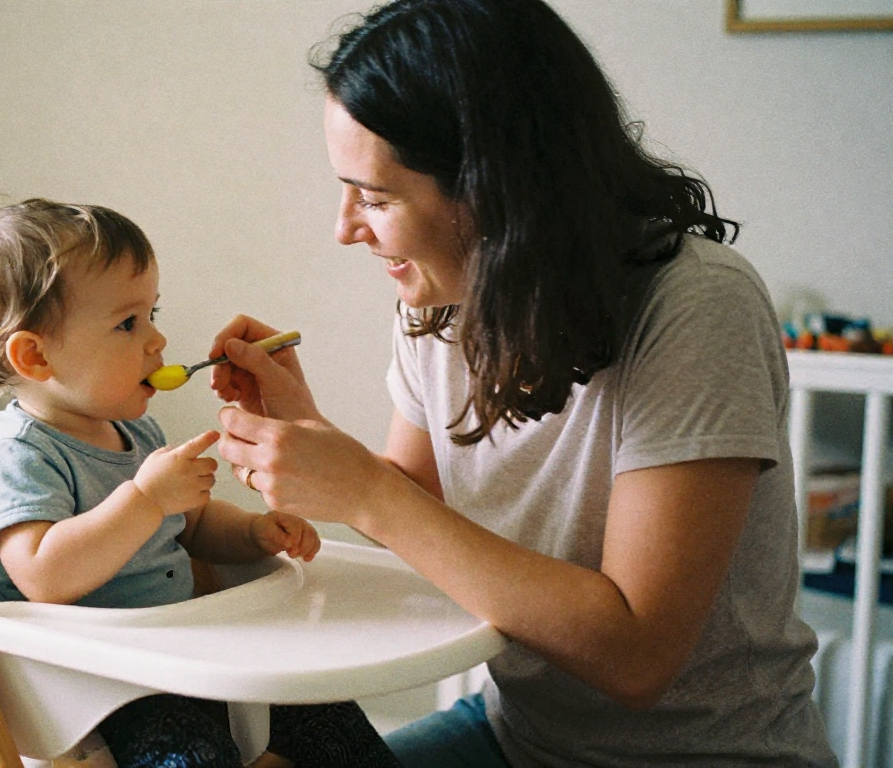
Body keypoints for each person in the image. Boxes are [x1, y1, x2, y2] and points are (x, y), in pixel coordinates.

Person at [207, 1, 839, 766]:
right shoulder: (441, 298)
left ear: (491, 189)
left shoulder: (697, 305)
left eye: (375, 198)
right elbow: (423, 506)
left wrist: (367, 493)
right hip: (521, 736)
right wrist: (309, 431)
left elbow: (636, 653)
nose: (346, 228)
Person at [0, 197, 402, 768]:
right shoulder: (17, 457)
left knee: (325, 711)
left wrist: (254, 533)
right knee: (193, 755)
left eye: (153, 314)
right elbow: (44, 575)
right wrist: (144, 498)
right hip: (84, 687)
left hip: (169, 658)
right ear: (35, 356)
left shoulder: (136, 432)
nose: (156, 340)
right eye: (128, 323)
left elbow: (194, 527)